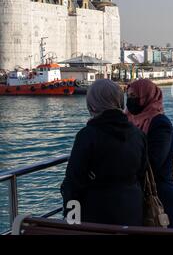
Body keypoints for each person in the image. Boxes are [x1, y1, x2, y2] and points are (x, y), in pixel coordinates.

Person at [61, 80, 147, 226]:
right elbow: (142, 173)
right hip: (132, 212)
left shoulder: (87, 135)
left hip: (96, 217)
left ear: (93, 105)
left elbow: (73, 182)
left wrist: (71, 218)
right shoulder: (138, 134)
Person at [126, 79, 173, 228]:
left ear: (146, 96)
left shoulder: (160, 123)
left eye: (134, 96)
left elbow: (154, 162)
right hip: (137, 192)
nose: (130, 100)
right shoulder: (129, 120)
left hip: (159, 194)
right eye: (128, 96)